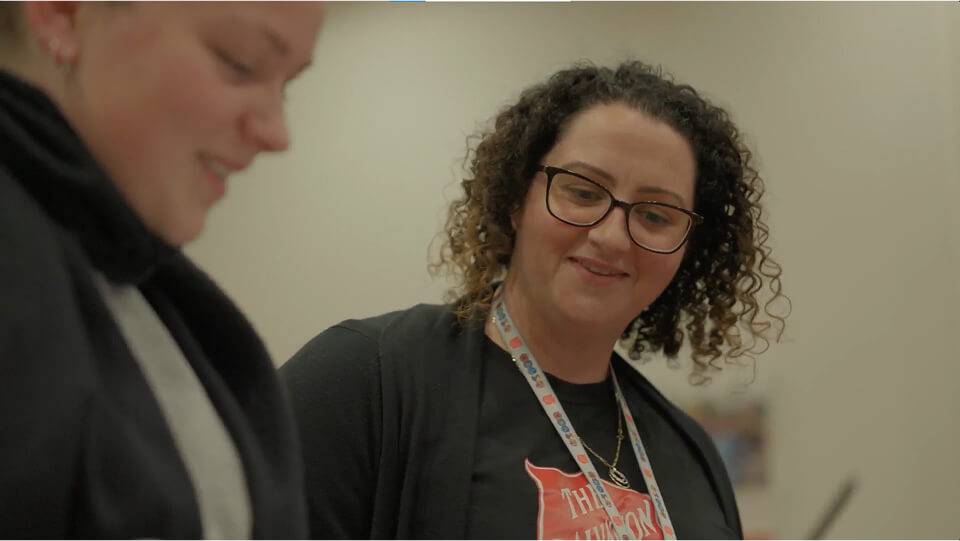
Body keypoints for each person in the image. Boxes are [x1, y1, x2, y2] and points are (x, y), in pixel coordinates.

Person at [281, 60, 789, 539]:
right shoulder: (360, 381)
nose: (612, 236)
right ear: (516, 199)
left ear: (688, 251)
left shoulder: (692, 454)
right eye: (583, 192)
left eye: (656, 216)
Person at [0, 2, 324, 538]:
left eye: (286, 86)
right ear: (61, 12)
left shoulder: (136, 278)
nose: (277, 133)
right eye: (239, 62)